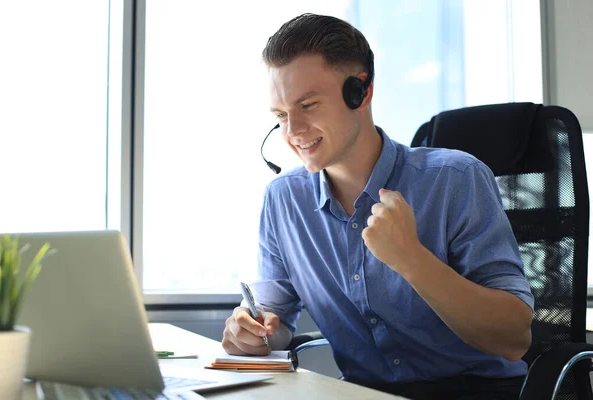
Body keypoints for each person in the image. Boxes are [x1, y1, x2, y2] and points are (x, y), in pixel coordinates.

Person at [222, 13, 534, 400]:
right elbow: (276, 319)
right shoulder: (283, 200)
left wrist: (411, 259)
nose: (293, 132)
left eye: (309, 105)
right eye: (281, 116)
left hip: (479, 392)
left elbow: (514, 338)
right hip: (362, 393)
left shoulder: (456, 178)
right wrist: (253, 331)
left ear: (361, 93)